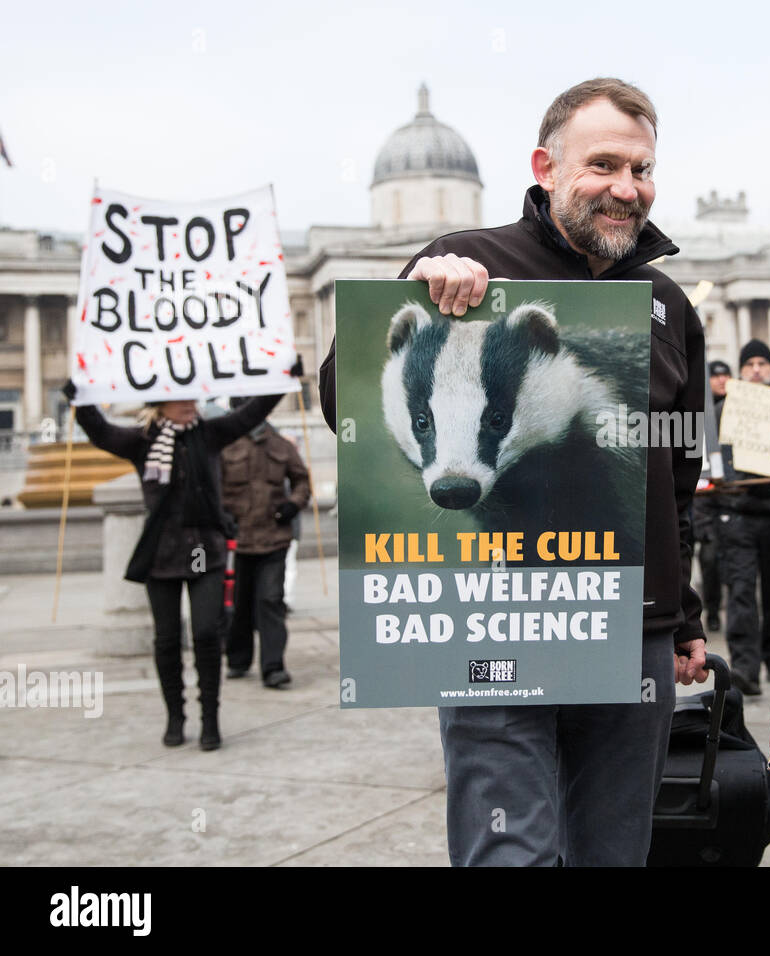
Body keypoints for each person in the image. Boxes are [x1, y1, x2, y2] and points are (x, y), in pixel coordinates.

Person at [318, 77, 708, 866]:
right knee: (510, 848)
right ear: (546, 166)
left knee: (614, 848)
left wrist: (685, 615)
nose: (624, 188)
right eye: (602, 165)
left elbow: (674, 480)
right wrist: (418, 293)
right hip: (495, 617)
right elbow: (339, 404)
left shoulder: (668, 304)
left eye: (640, 169)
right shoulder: (464, 266)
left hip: (631, 624)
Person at [64, 379, 290, 750]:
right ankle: (175, 715)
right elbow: (101, 433)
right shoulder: (143, 441)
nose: (188, 403)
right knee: (166, 639)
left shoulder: (211, 434)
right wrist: (82, 402)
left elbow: (253, 413)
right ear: (160, 403)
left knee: (205, 633)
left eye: (191, 396)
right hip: (161, 554)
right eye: (178, 398)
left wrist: (281, 379)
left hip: (203, 551)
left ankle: (210, 719)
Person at [718, 338, 770, 694]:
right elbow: (716, 456)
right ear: (741, 371)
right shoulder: (724, 409)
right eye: (750, 364)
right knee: (742, 592)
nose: (757, 369)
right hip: (739, 514)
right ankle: (745, 668)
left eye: (763, 363)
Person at [220, 402, 311, 688]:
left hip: (274, 538)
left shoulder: (281, 445)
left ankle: (273, 667)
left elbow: (301, 480)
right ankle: (238, 658)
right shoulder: (225, 443)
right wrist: (222, 517)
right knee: (240, 605)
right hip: (238, 540)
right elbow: (211, 485)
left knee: (270, 601)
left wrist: (293, 505)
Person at [694, 359, 732, 632]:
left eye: (725, 376)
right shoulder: (700, 410)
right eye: (715, 376)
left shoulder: (736, 410)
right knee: (709, 558)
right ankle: (713, 608)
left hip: (730, 496)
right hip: (704, 497)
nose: (720, 380)